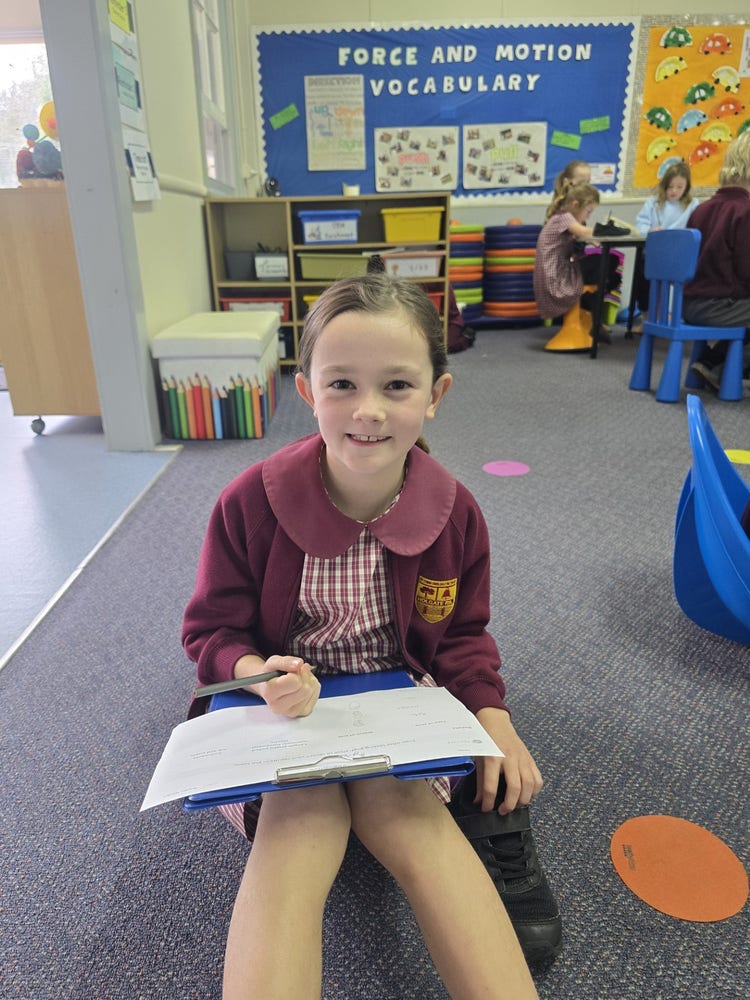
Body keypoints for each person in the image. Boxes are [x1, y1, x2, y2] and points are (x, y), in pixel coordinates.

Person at [182, 275, 558, 999]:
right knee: (297, 819)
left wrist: (493, 713)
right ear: (306, 390)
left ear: (435, 394)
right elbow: (211, 630)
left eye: (397, 386)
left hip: (398, 702)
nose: (369, 411)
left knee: (410, 816)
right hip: (285, 709)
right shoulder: (249, 502)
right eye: (342, 384)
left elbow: (463, 635)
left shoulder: (455, 513)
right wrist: (261, 673)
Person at [682, 131, 750, 391]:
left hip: (688, 305)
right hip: (719, 307)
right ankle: (717, 365)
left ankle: (712, 363)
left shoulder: (702, 209)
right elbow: (746, 272)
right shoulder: (745, 210)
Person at [632, 162, 700, 328]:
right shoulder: (653, 203)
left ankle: (682, 318)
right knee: (644, 277)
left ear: (686, 187)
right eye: (670, 187)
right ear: (664, 185)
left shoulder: (693, 205)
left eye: (679, 187)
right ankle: (648, 317)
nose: (674, 191)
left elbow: (696, 230)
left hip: (679, 256)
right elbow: (640, 225)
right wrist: (650, 230)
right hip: (655, 254)